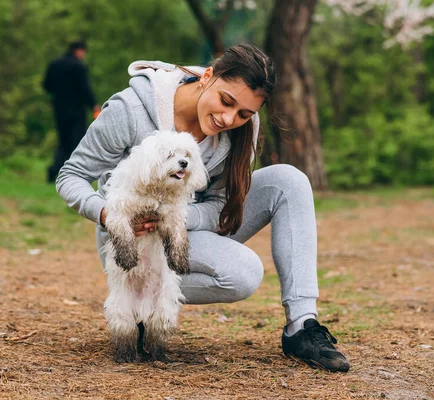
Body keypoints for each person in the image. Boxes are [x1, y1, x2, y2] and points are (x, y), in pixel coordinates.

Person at [56, 43, 350, 372]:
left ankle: (302, 326)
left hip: (183, 227)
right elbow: (71, 176)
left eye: (244, 114)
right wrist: (107, 215)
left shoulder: (241, 132)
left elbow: (222, 204)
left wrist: (177, 219)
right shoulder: (131, 110)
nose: (229, 119)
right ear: (207, 76)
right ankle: (138, 306)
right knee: (240, 272)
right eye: (226, 101)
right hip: (130, 239)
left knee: (289, 182)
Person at [43, 40, 101, 183]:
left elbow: (47, 85)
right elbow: (85, 89)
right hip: (76, 110)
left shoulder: (55, 64)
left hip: (59, 108)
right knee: (77, 141)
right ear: (80, 51)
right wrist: (94, 105)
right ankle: (73, 173)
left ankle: (54, 169)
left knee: (63, 140)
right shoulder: (78, 66)